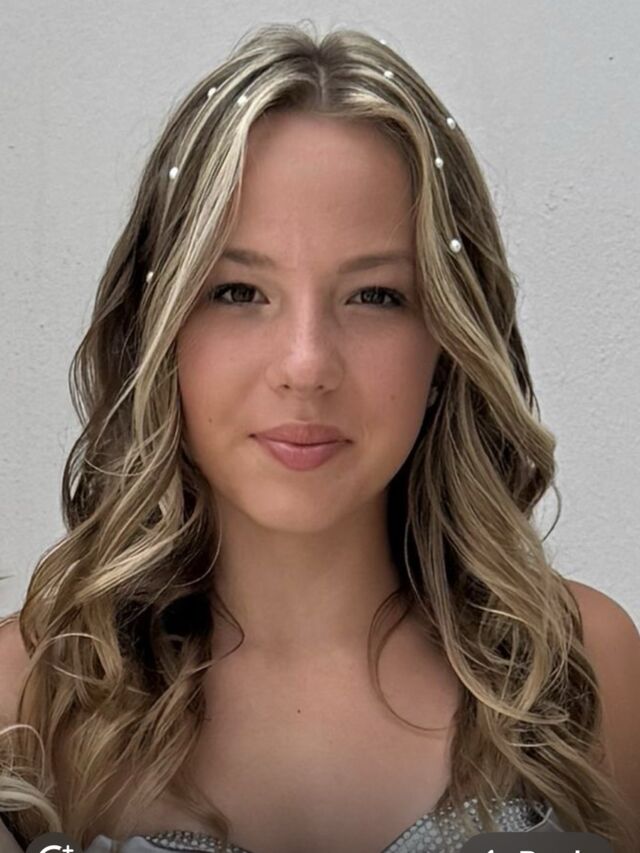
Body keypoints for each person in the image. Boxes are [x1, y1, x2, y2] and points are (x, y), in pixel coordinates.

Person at [1, 20, 638, 853]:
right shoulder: (23, 698)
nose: (306, 364)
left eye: (375, 296)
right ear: (158, 330)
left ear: (448, 342)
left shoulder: (584, 669)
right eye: (238, 291)